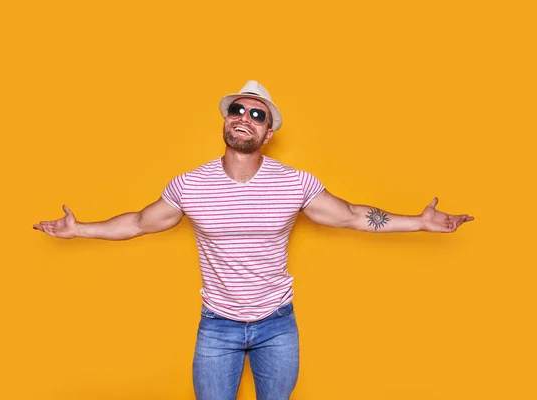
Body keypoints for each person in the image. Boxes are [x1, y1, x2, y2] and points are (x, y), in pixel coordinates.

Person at [33, 80, 474, 399]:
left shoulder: (293, 182)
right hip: (217, 326)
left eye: (257, 114)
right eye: (238, 111)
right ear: (227, 121)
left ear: (268, 133)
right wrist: (80, 229)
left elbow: (352, 216)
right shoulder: (190, 185)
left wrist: (419, 222)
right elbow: (139, 223)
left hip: (277, 325)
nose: (245, 118)